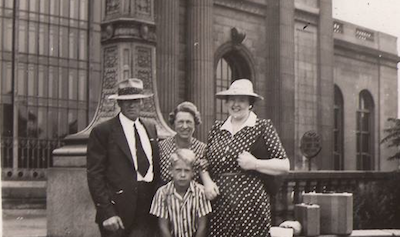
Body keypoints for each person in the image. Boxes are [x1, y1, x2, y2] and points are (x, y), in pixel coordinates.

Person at [200, 79, 290, 237]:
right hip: (219, 205)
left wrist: (255, 164)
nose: (236, 104)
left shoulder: (262, 127)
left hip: (250, 206)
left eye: (241, 100)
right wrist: (207, 181)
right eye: (232, 100)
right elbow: (203, 162)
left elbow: (284, 165)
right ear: (226, 103)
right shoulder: (217, 129)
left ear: (250, 104)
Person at [87, 78, 160, 237]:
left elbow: (157, 168)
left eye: (135, 100)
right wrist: (107, 212)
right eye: (126, 101)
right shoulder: (103, 131)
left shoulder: (150, 128)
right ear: (119, 103)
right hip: (117, 211)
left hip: (148, 208)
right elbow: (95, 175)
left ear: (142, 101)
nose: (131, 105)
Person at [150, 149, 212, 237]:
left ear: (193, 172)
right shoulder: (162, 193)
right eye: (178, 170)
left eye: (187, 170)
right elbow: (163, 226)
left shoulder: (200, 192)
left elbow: (202, 225)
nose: (182, 175)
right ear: (171, 170)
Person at [159, 102, 206, 184]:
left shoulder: (203, 150)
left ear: (195, 123)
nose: (184, 126)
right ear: (174, 123)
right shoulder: (162, 147)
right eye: (180, 122)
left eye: (188, 122)